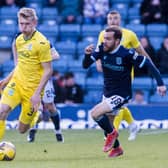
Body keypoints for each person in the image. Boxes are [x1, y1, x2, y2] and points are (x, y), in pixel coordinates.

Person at [82, 26, 166, 158]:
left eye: (108, 39)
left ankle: (112, 134)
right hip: (108, 92)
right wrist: (87, 54)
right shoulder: (101, 49)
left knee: (94, 114)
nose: (104, 41)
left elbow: (149, 64)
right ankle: (117, 148)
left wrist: (160, 84)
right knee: (107, 127)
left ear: (117, 41)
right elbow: (85, 65)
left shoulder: (127, 54)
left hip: (122, 94)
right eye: (104, 38)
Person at [96, 10, 150, 141]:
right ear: (107, 21)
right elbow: (99, 51)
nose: (113, 21)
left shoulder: (129, 35)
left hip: (124, 77)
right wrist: (98, 63)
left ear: (120, 20)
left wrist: (151, 66)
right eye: (110, 18)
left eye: (115, 18)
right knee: (118, 106)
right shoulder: (103, 34)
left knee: (116, 105)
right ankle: (132, 125)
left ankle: (112, 133)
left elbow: (141, 52)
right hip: (110, 76)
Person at [0, 7, 53, 140]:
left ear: (34, 22)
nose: (23, 28)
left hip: (32, 91)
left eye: (27, 24)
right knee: (1, 111)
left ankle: (37, 116)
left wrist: (37, 94)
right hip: (16, 84)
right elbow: (20, 65)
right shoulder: (19, 40)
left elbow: (48, 71)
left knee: (22, 129)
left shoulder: (42, 43)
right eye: (21, 24)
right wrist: (6, 80)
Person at [26, 45, 64, 143]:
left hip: (45, 79)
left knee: (50, 106)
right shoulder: (23, 42)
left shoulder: (44, 42)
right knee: (36, 107)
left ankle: (58, 131)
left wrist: (42, 58)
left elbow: (56, 55)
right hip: (31, 79)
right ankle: (32, 131)